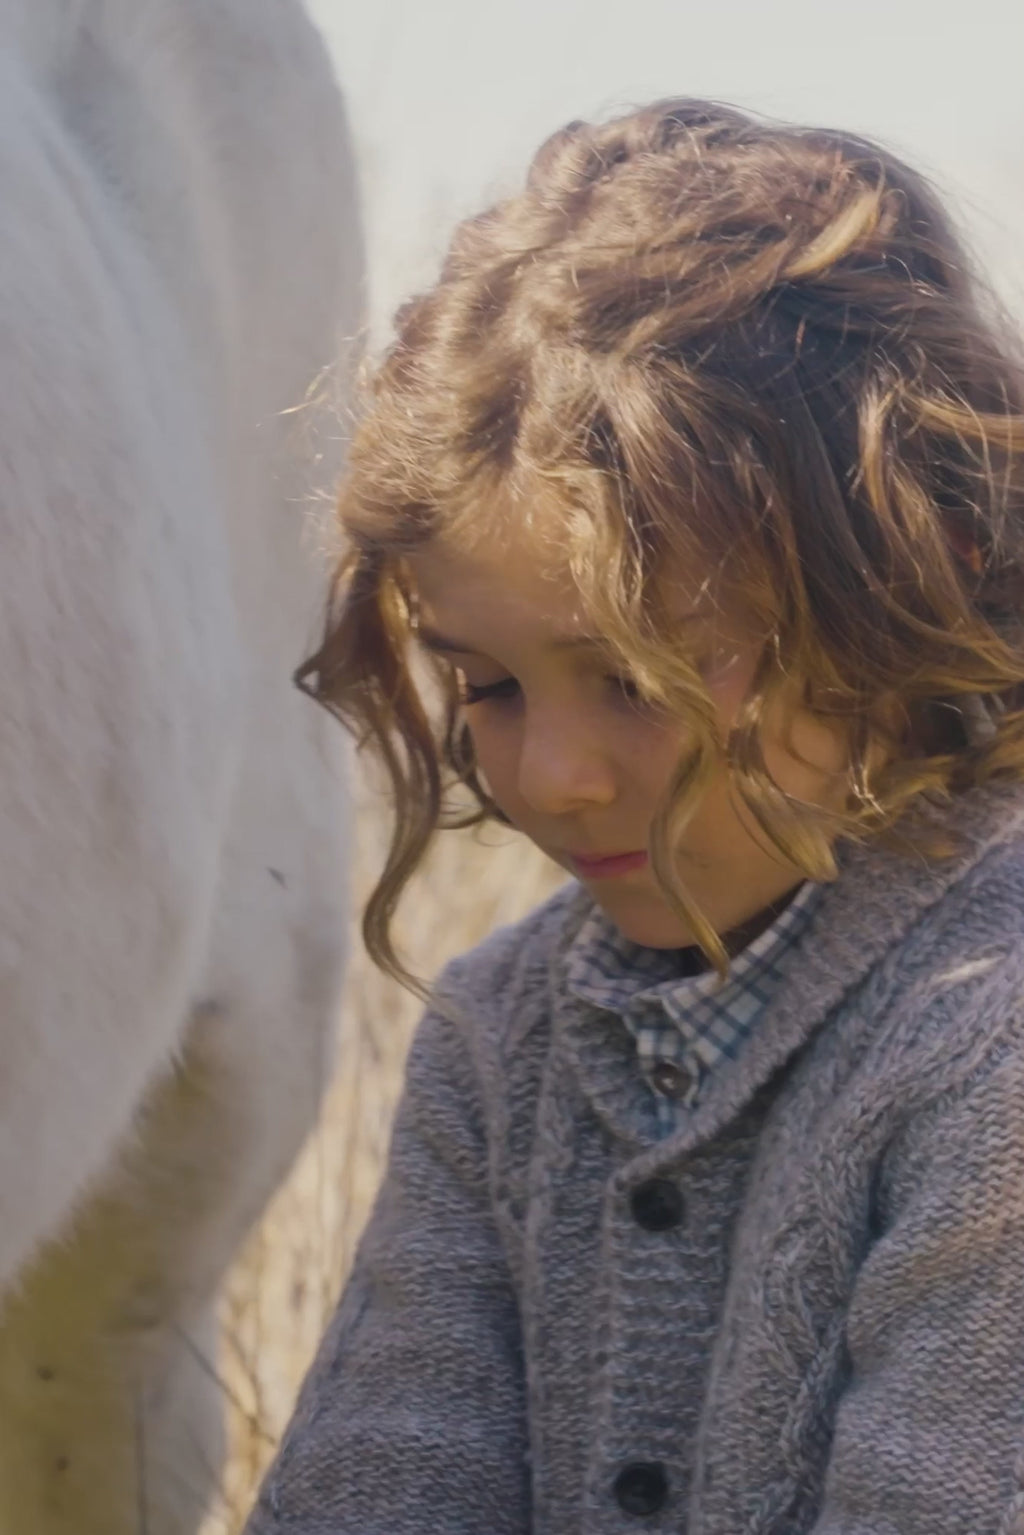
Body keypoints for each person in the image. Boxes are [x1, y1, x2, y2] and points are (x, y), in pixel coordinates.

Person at [245, 99, 1024, 1534]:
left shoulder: (994, 1049)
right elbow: (385, 1475)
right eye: (484, 685)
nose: (552, 778)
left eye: (635, 679)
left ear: (913, 571)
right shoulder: (507, 1036)